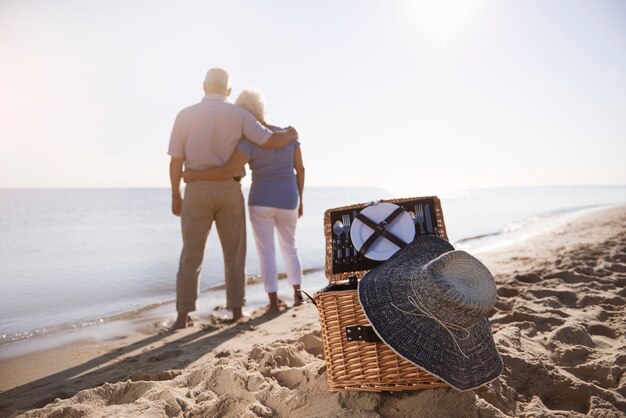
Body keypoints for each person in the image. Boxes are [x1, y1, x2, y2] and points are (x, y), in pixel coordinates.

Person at [168, 68, 298, 329]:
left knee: (191, 255)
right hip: (229, 190)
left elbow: (175, 161)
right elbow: (269, 140)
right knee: (234, 254)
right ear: (228, 90)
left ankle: (183, 317)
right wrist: (291, 134)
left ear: (204, 86)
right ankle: (237, 311)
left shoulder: (185, 115)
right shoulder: (239, 115)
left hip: (196, 189)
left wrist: (175, 193)